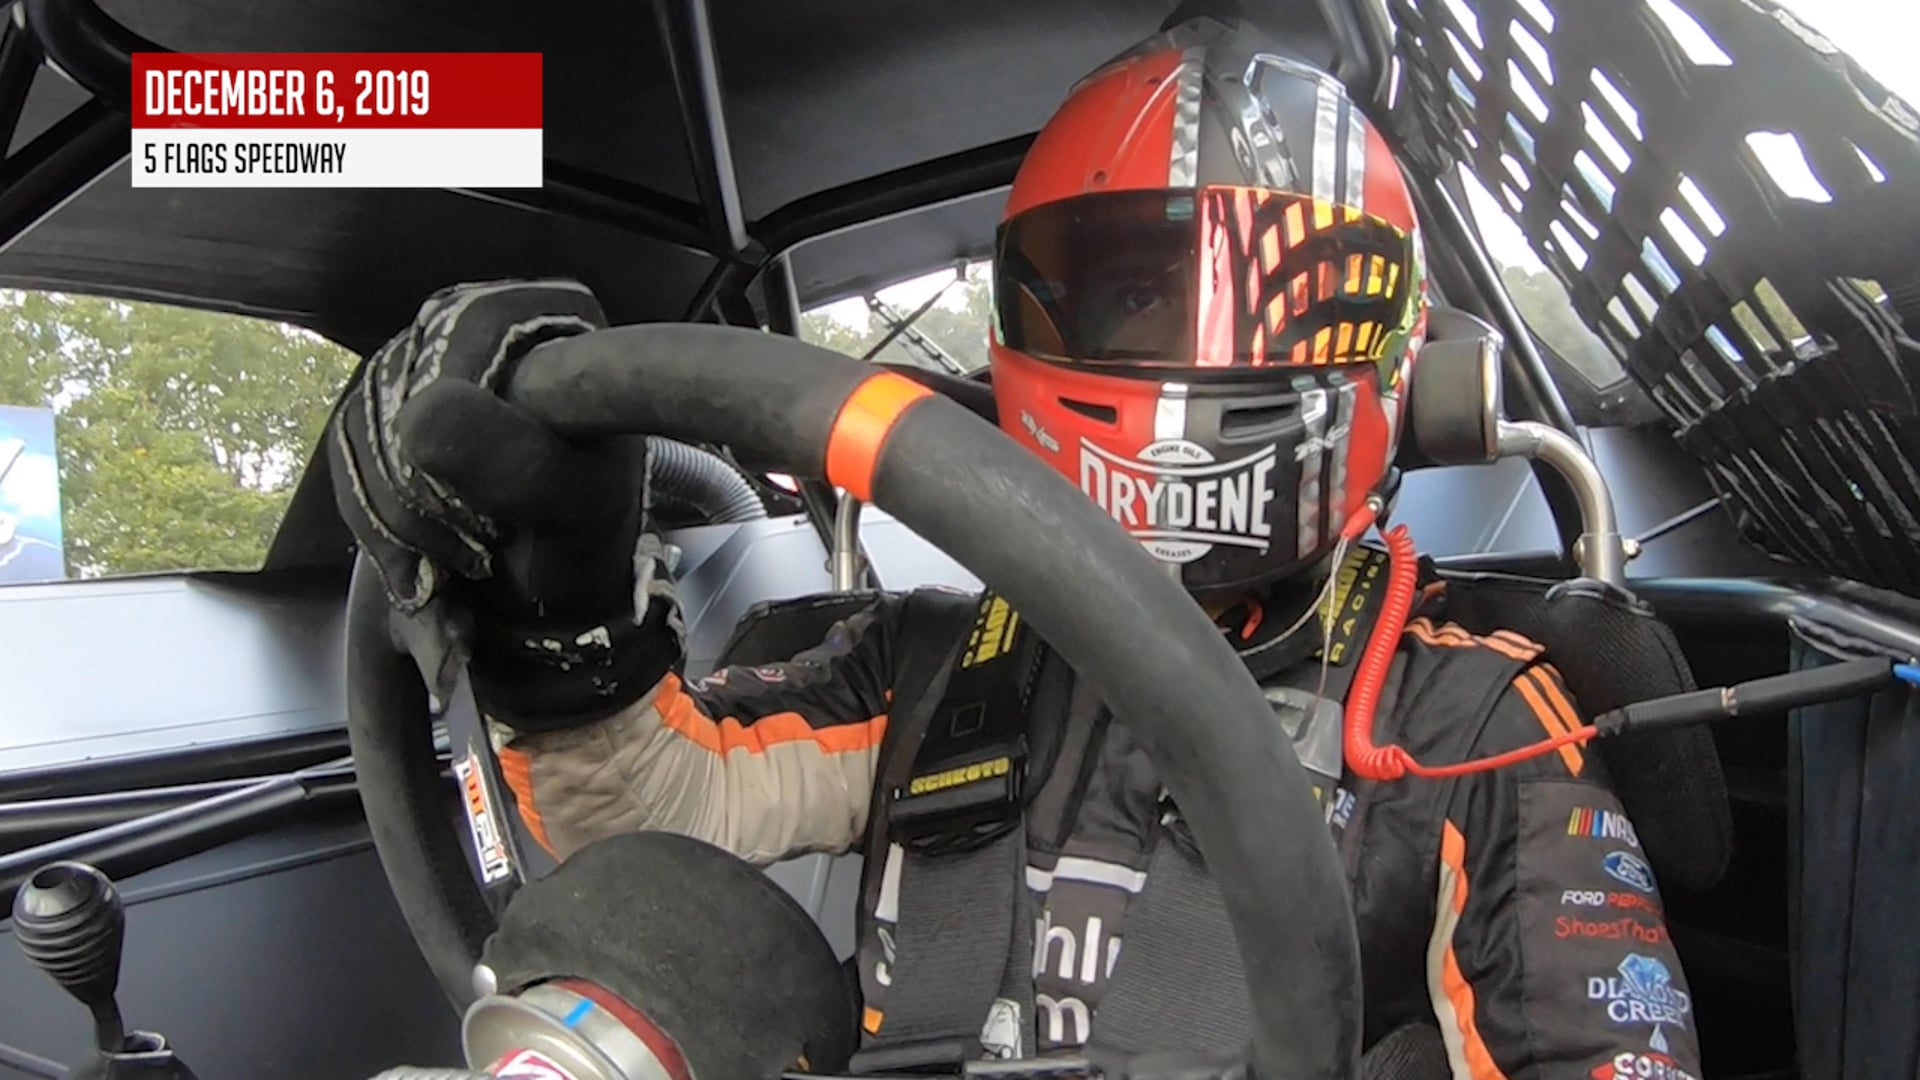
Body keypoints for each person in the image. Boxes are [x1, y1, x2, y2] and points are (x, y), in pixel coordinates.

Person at [329, 13, 1702, 1080]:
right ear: (1028, 324)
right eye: (1134, 290)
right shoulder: (929, 666)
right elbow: (654, 809)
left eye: (1274, 296)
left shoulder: (1474, 720)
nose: (1200, 356)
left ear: (1401, 353)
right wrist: (555, 613)